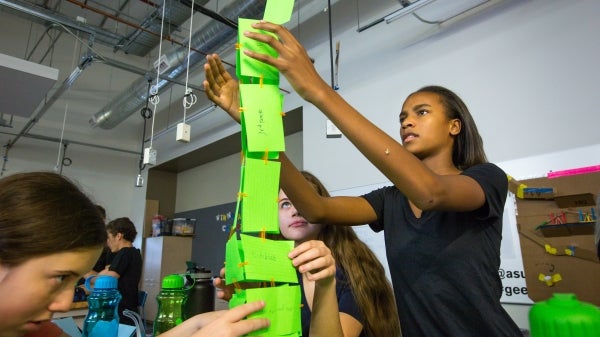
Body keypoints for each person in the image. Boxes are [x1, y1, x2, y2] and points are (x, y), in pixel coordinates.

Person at [203, 21, 522, 336]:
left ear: (455, 126)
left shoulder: (486, 179)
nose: (407, 122)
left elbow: (431, 193)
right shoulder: (391, 200)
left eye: (421, 113)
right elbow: (315, 208)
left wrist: (319, 91)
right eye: (402, 118)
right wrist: (252, 126)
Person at [0, 171, 269, 337]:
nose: (63, 303)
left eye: (73, 281)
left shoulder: (32, 328)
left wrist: (196, 324)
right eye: (59, 278)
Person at [214, 171, 400, 337]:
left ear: (322, 207)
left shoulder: (356, 269)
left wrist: (324, 286)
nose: (295, 210)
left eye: (303, 202)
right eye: (285, 204)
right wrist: (245, 297)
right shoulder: (273, 271)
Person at [95, 217, 143, 326]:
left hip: (123, 307)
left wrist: (92, 277)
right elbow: (110, 270)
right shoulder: (135, 252)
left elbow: (109, 277)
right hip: (130, 306)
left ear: (119, 236)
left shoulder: (124, 253)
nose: (108, 242)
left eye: (108, 237)